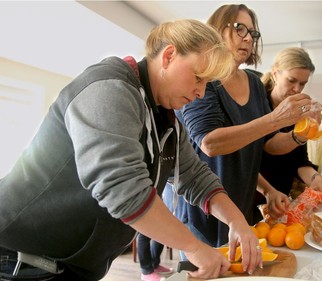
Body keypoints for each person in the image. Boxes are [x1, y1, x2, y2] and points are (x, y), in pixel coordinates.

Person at [0, 19, 263, 281]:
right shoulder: (108, 87)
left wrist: (236, 221)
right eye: (198, 77)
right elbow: (122, 188)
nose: (201, 93)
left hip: (66, 265)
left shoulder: (166, 119)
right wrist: (193, 247)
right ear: (169, 56)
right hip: (18, 256)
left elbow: (195, 177)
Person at [163, 4, 317, 251]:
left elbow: (266, 144)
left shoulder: (255, 84)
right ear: (217, 30)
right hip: (203, 213)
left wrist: (299, 136)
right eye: (239, 28)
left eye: (253, 33)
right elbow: (210, 143)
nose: (248, 38)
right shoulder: (203, 80)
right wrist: (276, 119)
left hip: (241, 210)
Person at [253, 47, 322, 222]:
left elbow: (299, 160)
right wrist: (268, 190)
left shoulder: (297, 115)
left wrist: (315, 179)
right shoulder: (254, 105)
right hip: (251, 198)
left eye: (302, 84)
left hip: (280, 202)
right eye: (291, 80)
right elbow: (245, 161)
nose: (296, 89)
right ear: (275, 73)